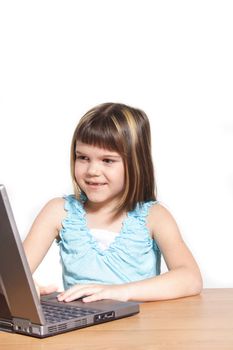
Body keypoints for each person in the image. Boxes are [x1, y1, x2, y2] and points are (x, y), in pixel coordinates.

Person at [23, 102, 202, 303]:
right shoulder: (58, 212)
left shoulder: (155, 216)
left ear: (136, 163)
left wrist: (119, 292)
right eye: (83, 157)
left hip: (141, 331)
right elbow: (13, 275)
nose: (92, 171)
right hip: (82, 330)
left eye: (107, 160)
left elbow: (190, 278)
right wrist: (24, 287)